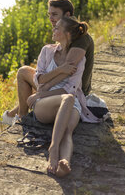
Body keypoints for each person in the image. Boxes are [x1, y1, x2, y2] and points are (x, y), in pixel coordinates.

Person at [0, 0, 94, 125]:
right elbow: (59, 70)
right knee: (24, 71)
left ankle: (16, 117)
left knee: (29, 76)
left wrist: (42, 89)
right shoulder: (63, 30)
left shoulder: (80, 37)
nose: (51, 18)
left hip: (72, 89)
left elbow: (67, 71)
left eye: (54, 14)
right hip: (57, 83)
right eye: (49, 14)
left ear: (67, 14)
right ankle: (17, 115)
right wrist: (43, 84)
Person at [27, 16, 100, 177]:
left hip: (69, 103)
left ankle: (64, 162)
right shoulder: (47, 51)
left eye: (57, 28)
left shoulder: (80, 61)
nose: (53, 29)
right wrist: (60, 71)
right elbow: (38, 79)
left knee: (68, 130)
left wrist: (44, 90)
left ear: (67, 34)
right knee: (68, 98)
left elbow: (71, 89)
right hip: (46, 104)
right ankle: (53, 149)